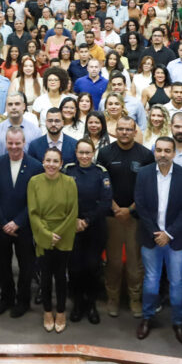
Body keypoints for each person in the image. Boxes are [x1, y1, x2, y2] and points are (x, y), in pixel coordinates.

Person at [134, 136, 182, 344]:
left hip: (176, 239)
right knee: (151, 282)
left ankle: (178, 322)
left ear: (174, 153)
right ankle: (147, 317)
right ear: (154, 152)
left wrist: (168, 234)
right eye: (159, 150)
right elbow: (141, 206)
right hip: (151, 237)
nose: (163, 154)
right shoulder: (143, 174)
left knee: (177, 282)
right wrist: (156, 233)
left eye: (167, 150)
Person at [97, 116, 155, 317]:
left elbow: (148, 187)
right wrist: (115, 208)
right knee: (113, 262)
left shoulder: (146, 154)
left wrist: (129, 210)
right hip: (111, 216)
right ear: (116, 130)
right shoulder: (105, 153)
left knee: (134, 264)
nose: (124, 132)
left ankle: (135, 298)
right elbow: (102, 184)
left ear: (134, 130)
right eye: (120, 129)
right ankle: (112, 298)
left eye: (128, 129)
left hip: (135, 217)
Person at [0, 126, 42, 318]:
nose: (14, 147)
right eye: (10, 143)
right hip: (1, 226)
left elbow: (36, 200)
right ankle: (7, 297)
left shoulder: (36, 166)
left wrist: (18, 222)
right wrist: (3, 221)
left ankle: (23, 300)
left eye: (17, 143)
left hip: (25, 227)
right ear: (6, 143)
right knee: (2, 264)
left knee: (26, 266)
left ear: (24, 143)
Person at [28, 147, 78, 333]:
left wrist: (58, 234)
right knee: (46, 276)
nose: (51, 164)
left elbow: (73, 212)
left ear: (61, 164)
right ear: (43, 162)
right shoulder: (34, 182)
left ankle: (62, 311)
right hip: (43, 235)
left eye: (55, 161)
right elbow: (33, 213)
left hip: (64, 235)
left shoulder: (69, 182)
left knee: (61, 276)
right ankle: (48, 311)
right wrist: (47, 235)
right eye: (48, 160)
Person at [64, 138, 112, 324]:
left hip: (95, 227)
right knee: (75, 268)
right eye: (81, 152)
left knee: (93, 267)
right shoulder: (68, 170)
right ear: (76, 153)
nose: (84, 156)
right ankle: (77, 304)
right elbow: (62, 199)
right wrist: (74, 220)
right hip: (71, 227)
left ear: (93, 154)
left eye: (88, 153)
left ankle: (91, 305)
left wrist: (87, 220)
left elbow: (106, 201)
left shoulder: (101, 172)